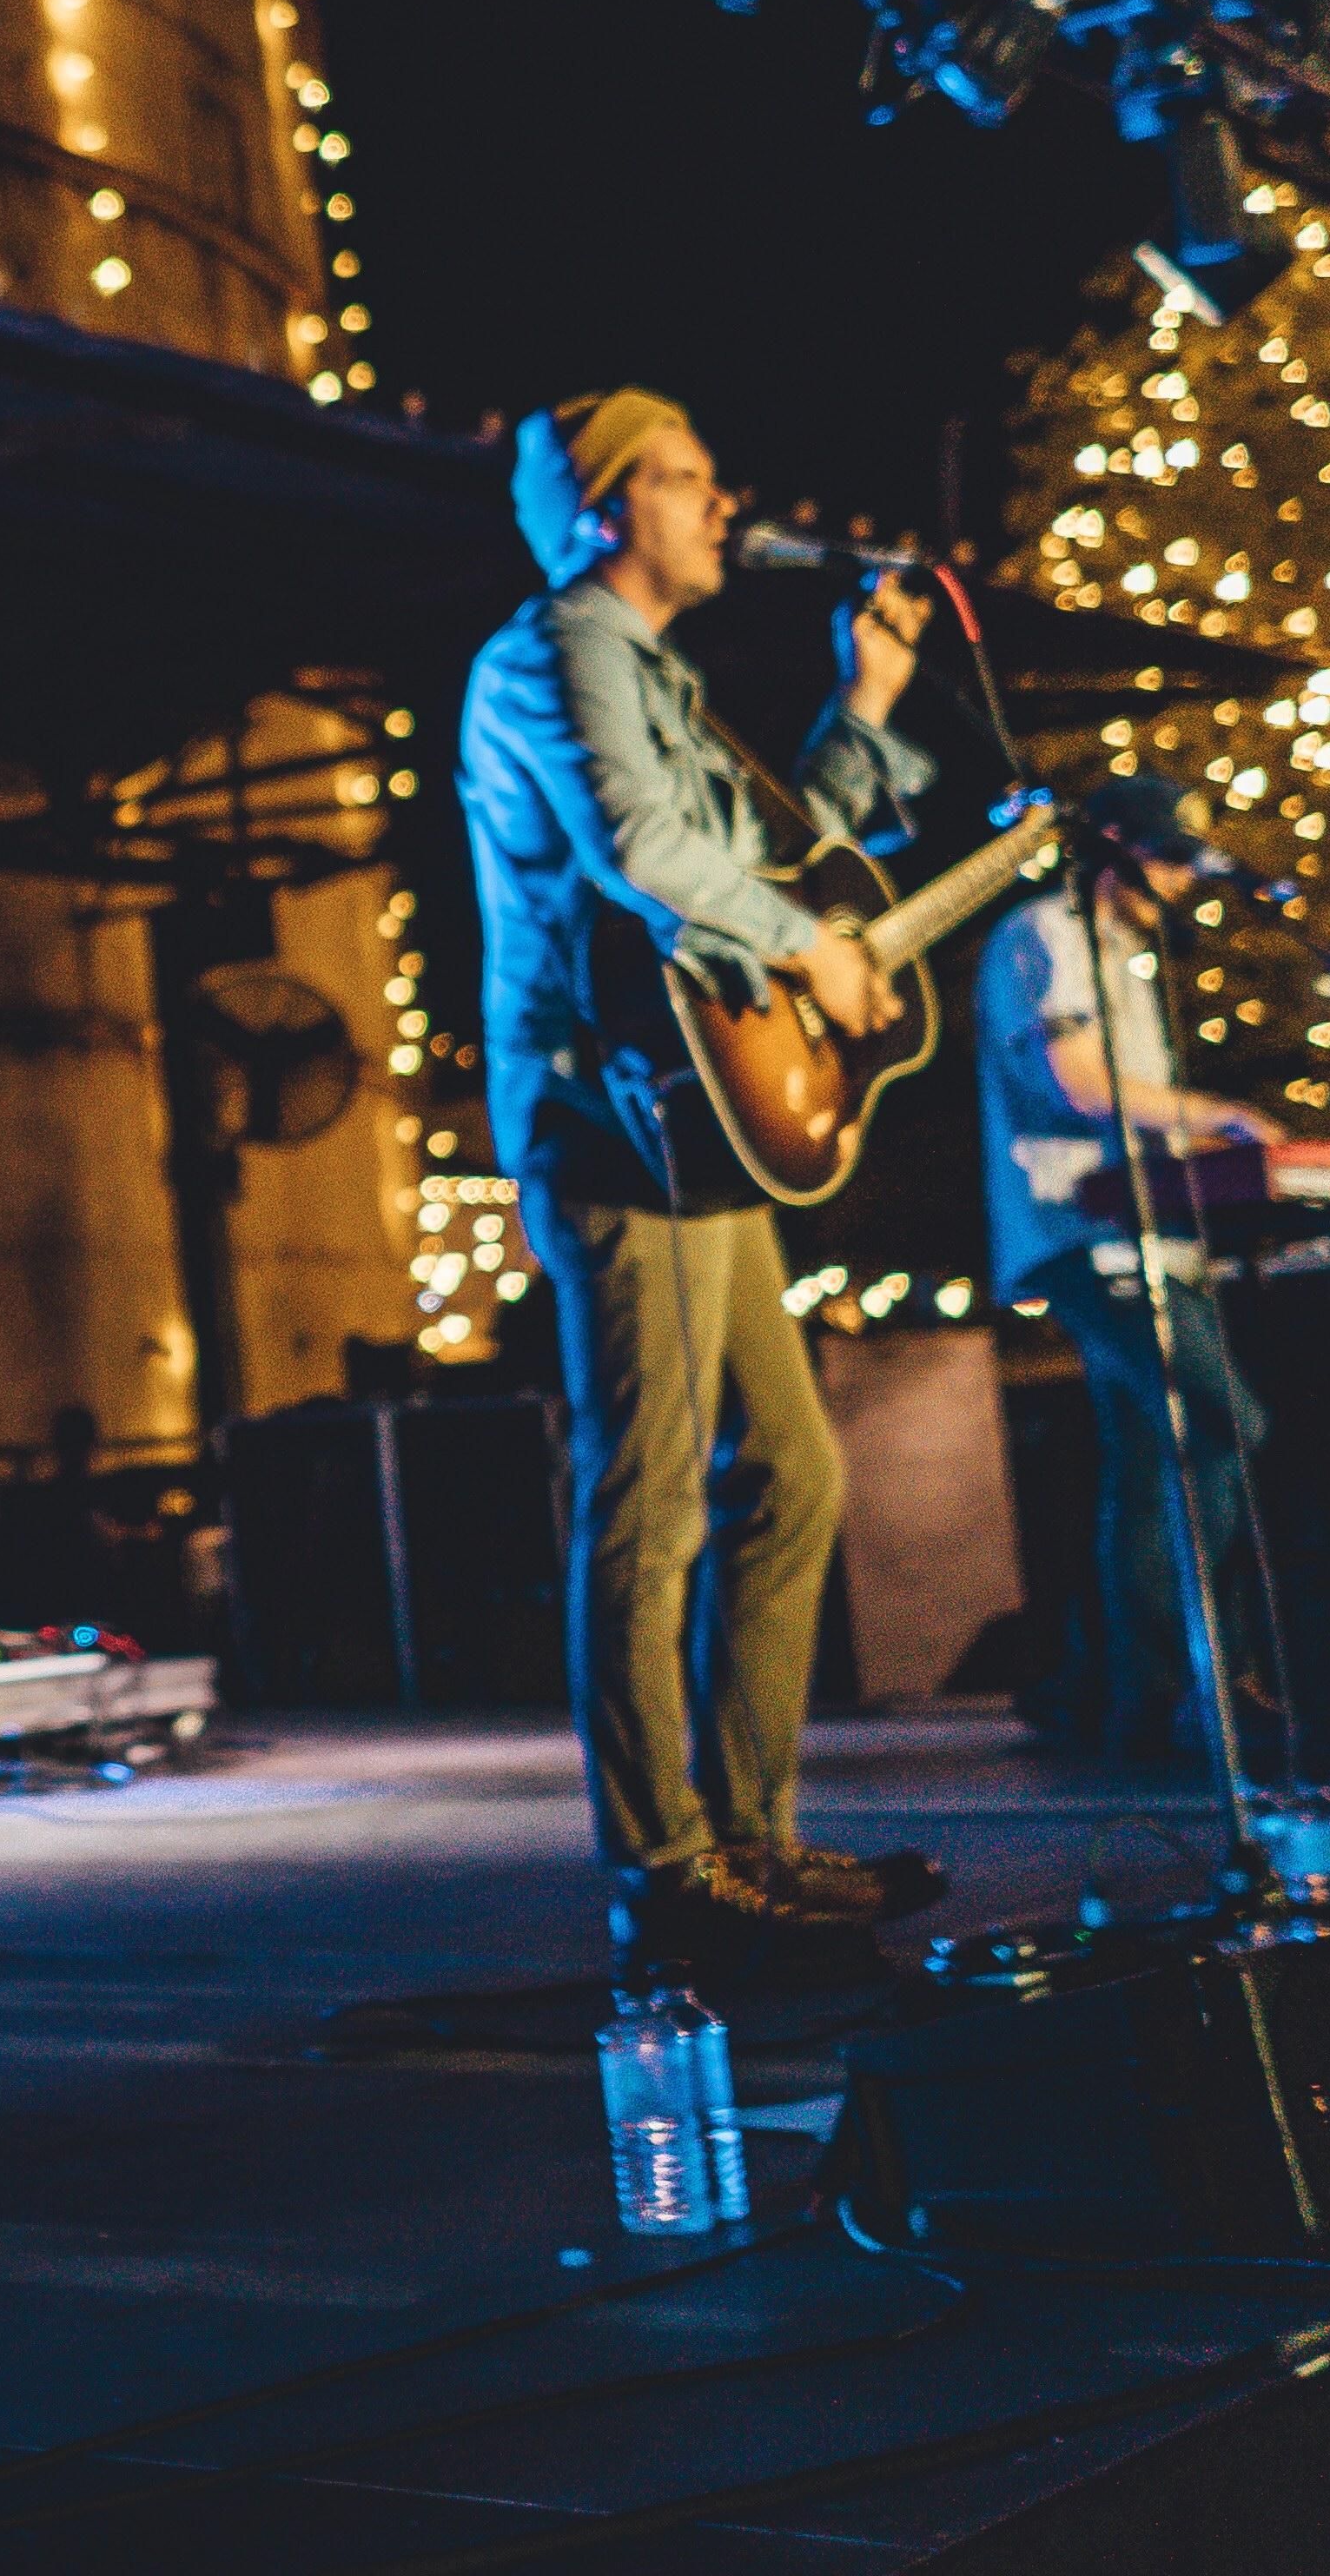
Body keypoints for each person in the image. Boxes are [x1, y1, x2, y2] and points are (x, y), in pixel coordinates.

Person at [456, 388, 949, 1982]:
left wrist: (865, 706)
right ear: (605, 508)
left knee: (790, 1474)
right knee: (653, 1498)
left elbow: (776, 854)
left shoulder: (654, 673)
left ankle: (749, 1836)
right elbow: (640, 847)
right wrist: (811, 948)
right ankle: (665, 1872)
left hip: (694, 1121)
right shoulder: (554, 651)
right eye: (685, 479)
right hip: (617, 1121)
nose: (723, 504)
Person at [975, 773, 1283, 1759]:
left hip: (1145, 1235)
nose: (1181, 883)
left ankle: (1133, 1702)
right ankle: (1205, 1683)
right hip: (1083, 1235)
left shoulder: (1123, 956)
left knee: (1155, 1460)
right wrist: (1218, 1116)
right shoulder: (1047, 933)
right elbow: (1079, 1083)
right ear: (1110, 843)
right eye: (1166, 859)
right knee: (1224, 1422)